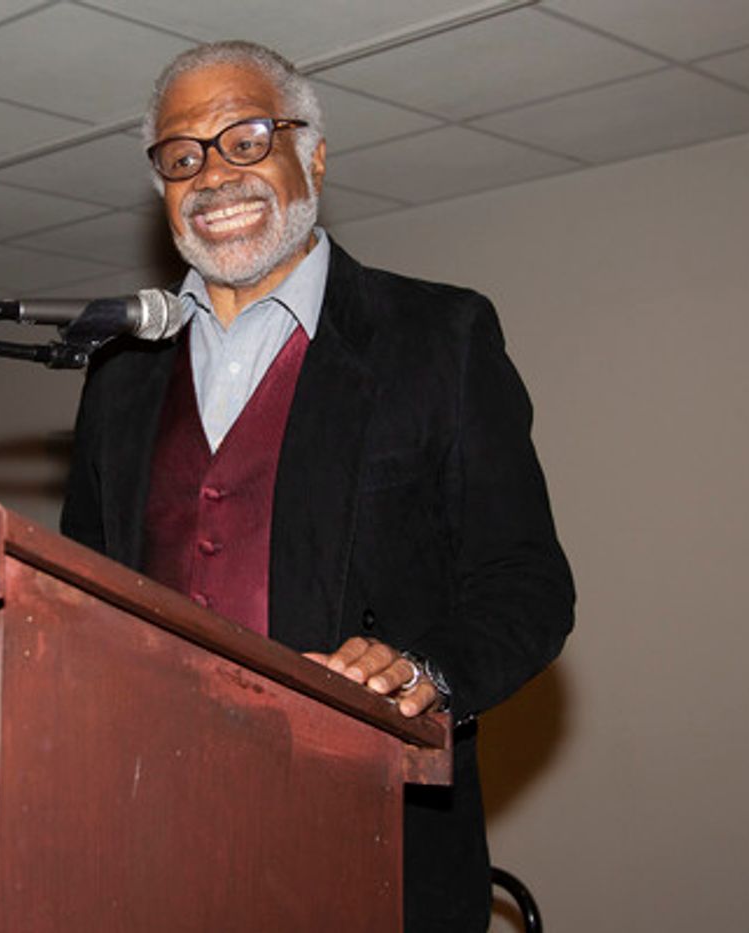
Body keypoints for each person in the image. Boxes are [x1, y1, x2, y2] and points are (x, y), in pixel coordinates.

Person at [60, 40, 574, 932]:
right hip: (153, 851)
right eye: (183, 157)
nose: (214, 175)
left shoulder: (436, 337)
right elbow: (80, 602)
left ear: (314, 157)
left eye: (247, 139)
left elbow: (528, 585)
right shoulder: (119, 373)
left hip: (372, 847)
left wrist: (425, 673)